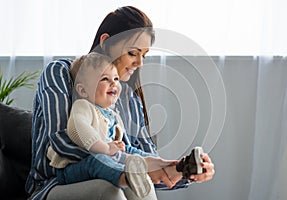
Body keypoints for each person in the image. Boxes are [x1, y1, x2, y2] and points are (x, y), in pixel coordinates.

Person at [25, 6, 215, 200]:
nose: (140, 63)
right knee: (111, 191)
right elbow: (61, 141)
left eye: (144, 55)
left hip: (115, 175)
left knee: (138, 185)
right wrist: (118, 157)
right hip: (54, 183)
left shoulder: (127, 98)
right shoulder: (60, 73)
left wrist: (180, 170)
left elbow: (143, 157)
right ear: (106, 42)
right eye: (133, 53)